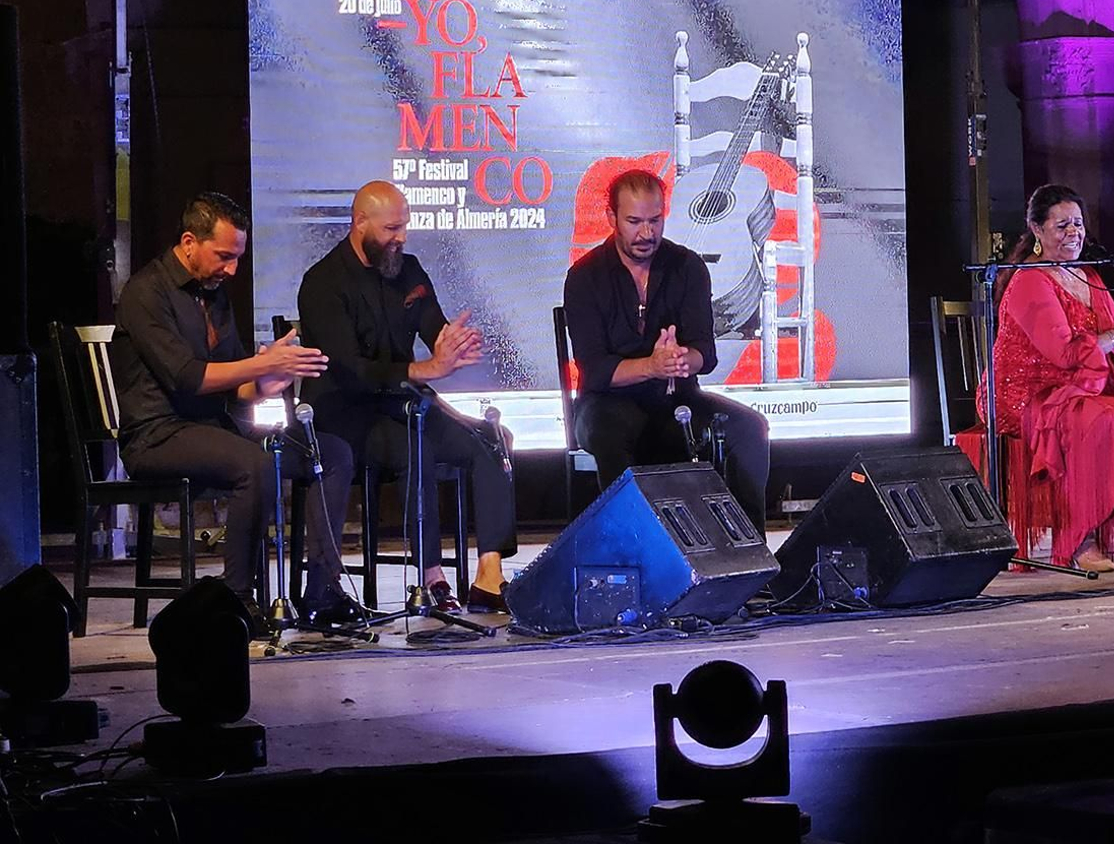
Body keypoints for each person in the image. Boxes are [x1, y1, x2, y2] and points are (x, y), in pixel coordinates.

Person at [112, 192, 361, 629]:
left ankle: (322, 589)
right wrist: (262, 363)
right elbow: (189, 377)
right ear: (189, 241)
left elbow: (237, 386)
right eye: (224, 256)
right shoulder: (146, 293)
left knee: (333, 453)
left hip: (212, 426)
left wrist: (269, 379)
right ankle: (237, 598)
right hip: (157, 434)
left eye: (237, 258)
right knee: (255, 464)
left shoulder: (214, 294)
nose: (231, 269)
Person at [297, 181, 518, 613]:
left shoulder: (409, 270)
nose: (401, 237)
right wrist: (423, 369)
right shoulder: (322, 283)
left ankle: (489, 575)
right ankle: (431, 579)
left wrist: (447, 344)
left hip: (402, 400)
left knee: (495, 438)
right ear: (359, 223)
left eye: (405, 227)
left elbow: (432, 326)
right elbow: (352, 370)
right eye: (392, 229)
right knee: (416, 445)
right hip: (346, 411)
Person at [976, 184, 1114, 572]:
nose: (1073, 232)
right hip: (1027, 393)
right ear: (1037, 231)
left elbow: (1111, 339)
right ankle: (1081, 538)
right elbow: (1065, 353)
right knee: (1098, 419)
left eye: (1078, 224)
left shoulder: (1087, 275)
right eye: (1062, 226)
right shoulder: (1029, 280)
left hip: (1080, 386)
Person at [563, 169, 769, 533]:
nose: (647, 233)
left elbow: (706, 352)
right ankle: (636, 549)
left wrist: (682, 360)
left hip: (677, 404)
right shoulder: (585, 276)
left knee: (749, 428)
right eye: (634, 221)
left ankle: (749, 552)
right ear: (612, 218)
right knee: (611, 433)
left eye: (655, 221)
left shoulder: (687, 267)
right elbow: (595, 371)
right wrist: (652, 366)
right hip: (605, 405)